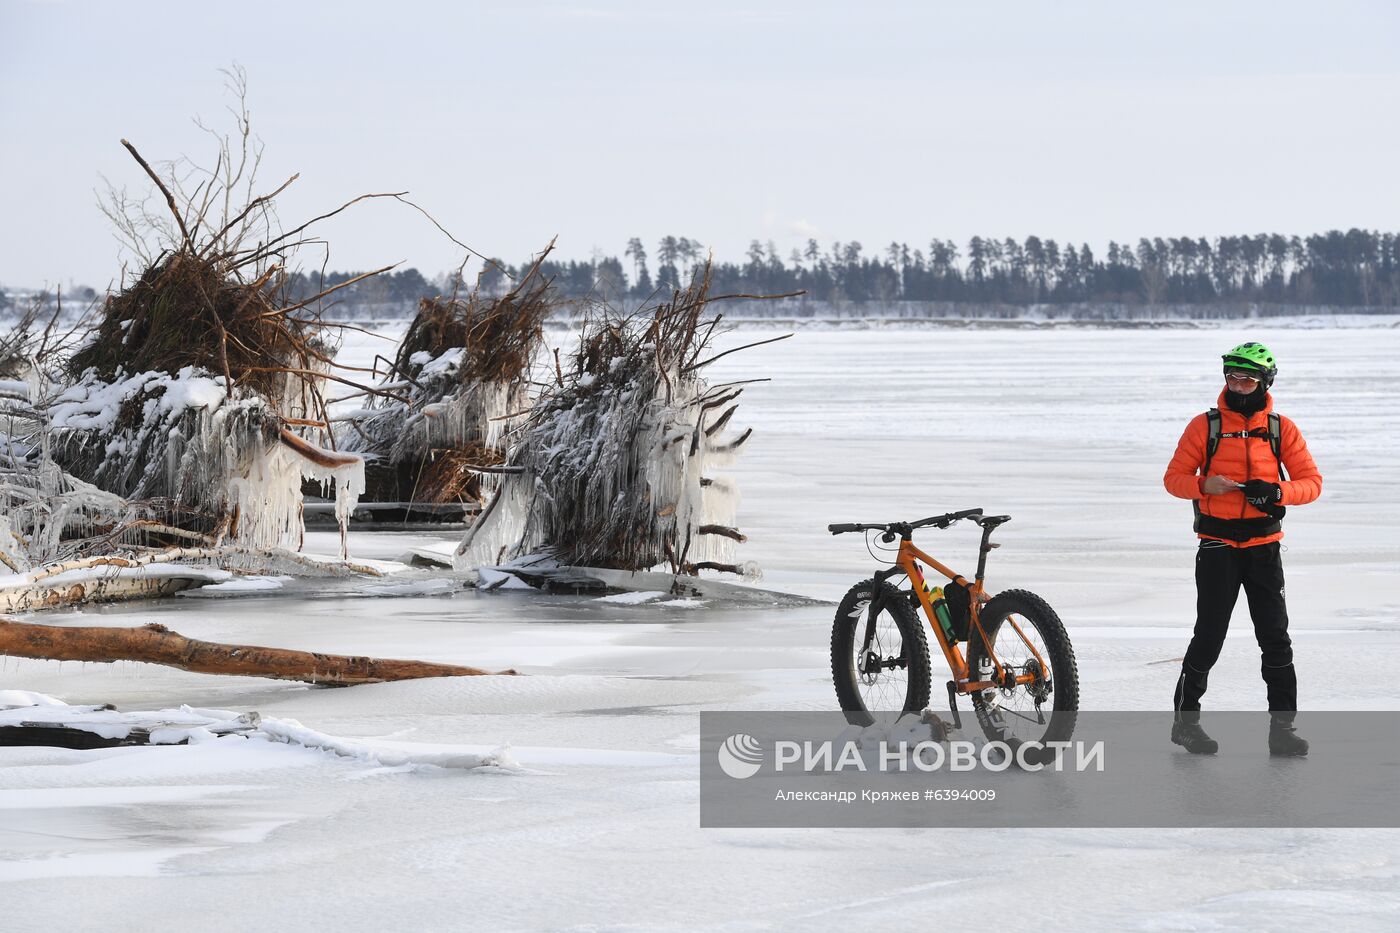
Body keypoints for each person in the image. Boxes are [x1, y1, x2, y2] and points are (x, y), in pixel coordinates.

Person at [1163, 341, 1322, 756]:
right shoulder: (1205, 426)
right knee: (1209, 636)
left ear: (1264, 381)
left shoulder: (1280, 428)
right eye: (1232, 377)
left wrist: (1277, 492)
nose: (1238, 384)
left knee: (1275, 639)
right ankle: (1185, 723)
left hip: (1264, 549)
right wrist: (1202, 484)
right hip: (1217, 547)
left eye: (1247, 378)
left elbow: (1312, 484)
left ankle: (1282, 731)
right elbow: (1173, 478)